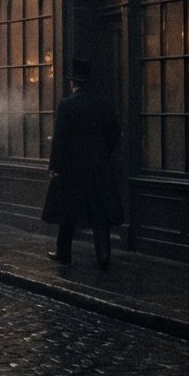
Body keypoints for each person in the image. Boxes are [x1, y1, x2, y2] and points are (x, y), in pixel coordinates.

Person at [42, 57, 123, 269]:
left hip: (72, 168)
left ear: (72, 83)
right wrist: (103, 152)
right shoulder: (104, 104)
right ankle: (104, 255)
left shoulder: (66, 105)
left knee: (67, 213)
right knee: (100, 214)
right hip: (98, 166)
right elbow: (115, 133)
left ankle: (63, 254)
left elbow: (60, 139)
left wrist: (55, 167)